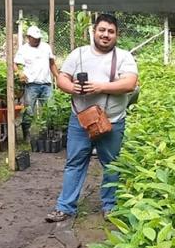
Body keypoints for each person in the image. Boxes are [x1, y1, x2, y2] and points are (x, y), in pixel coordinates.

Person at [47, 13, 138, 222]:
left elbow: (130, 83)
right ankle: (65, 207)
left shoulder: (124, 57)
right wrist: (72, 88)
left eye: (111, 32)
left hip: (112, 121)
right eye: (102, 30)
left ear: (117, 35)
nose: (106, 35)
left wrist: (100, 86)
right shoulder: (78, 54)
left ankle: (110, 206)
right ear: (94, 31)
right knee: (75, 162)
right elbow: (62, 77)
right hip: (80, 120)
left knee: (111, 164)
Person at [14, 25, 59, 140]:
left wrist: (58, 76)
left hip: (46, 84)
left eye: (39, 38)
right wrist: (19, 72)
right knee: (29, 110)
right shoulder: (24, 49)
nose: (37, 40)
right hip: (31, 85)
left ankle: (48, 132)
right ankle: (26, 134)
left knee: (50, 109)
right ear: (28, 37)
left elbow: (52, 63)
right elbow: (14, 64)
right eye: (34, 38)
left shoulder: (46, 47)